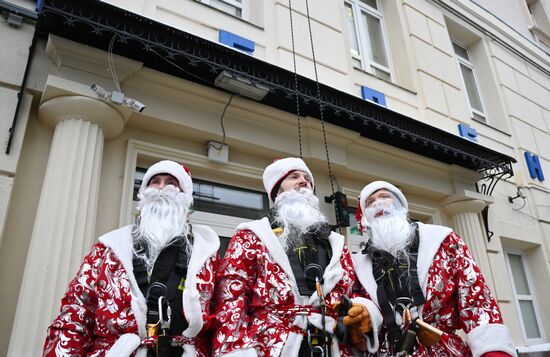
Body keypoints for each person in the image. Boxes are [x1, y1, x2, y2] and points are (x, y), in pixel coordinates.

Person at [43, 160, 220, 357]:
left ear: (185, 197)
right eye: (156, 182)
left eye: (171, 183)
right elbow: (76, 311)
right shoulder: (108, 248)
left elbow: (225, 318)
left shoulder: (207, 255)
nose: (161, 188)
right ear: (144, 193)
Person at [213, 157, 380, 357]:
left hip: (331, 345)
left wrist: (365, 309)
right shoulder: (252, 235)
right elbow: (231, 296)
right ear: (277, 191)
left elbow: (352, 290)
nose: (304, 182)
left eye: (307, 179)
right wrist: (236, 350)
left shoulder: (335, 243)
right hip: (270, 346)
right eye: (294, 177)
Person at [352, 180, 516, 356]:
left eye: (385, 197)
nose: (379, 203)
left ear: (400, 205)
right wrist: (365, 310)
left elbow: (475, 300)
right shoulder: (358, 263)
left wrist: (493, 352)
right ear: (365, 217)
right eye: (371, 202)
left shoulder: (443, 240)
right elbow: (357, 301)